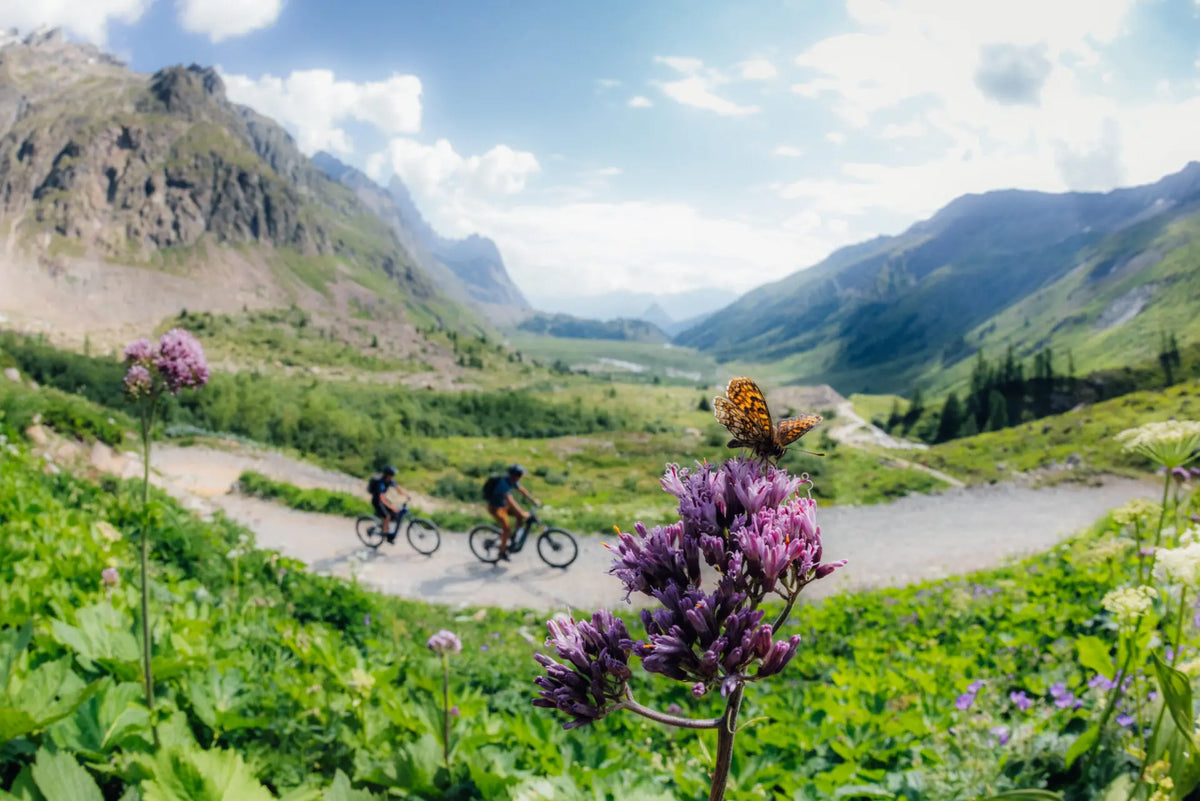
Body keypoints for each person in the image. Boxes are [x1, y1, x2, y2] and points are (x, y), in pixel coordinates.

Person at [486, 464, 540, 560]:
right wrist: (521, 512)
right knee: (507, 529)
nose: (521, 477)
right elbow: (510, 500)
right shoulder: (503, 483)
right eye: (520, 475)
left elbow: (522, 490)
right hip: (495, 508)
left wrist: (533, 500)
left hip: (503, 506)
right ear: (515, 475)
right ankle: (502, 552)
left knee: (519, 517)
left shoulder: (512, 480)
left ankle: (514, 537)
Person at [368, 465, 408, 543]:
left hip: (383, 499)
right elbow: (382, 499)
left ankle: (385, 526)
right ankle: (385, 534)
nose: (393, 477)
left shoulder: (390, 480)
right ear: (387, 475)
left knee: (394, 512)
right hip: (377, 501)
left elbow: (397, 488)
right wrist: (392, 507)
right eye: (392, 475)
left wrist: (406, 495)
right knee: (387, 516)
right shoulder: (381, 483)